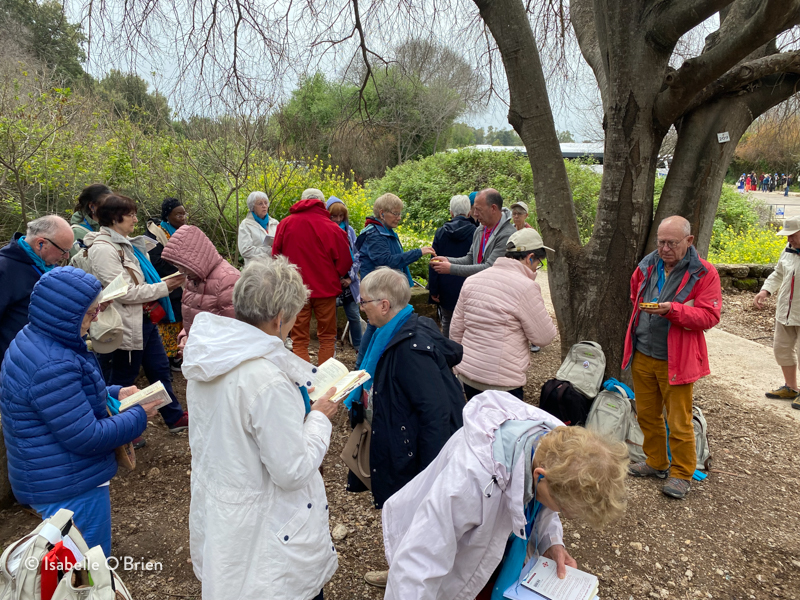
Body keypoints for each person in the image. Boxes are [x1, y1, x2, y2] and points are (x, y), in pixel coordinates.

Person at [181, 257, 341, 600]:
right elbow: (292, 471)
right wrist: (319, 417)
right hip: (269, 536)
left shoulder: (210, 358)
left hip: (225, 508)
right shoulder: (265, 379)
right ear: (280, 318)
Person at [381, 391, 629, 600]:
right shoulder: (469, 480)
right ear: (540, 476)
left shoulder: (552, 450)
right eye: (563, 508)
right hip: (442, 554)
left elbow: (544, 504)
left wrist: (551, 542)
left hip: (488, 548)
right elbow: (417, 565)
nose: (561, 512)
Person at [0, 267, 162, 556]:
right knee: (87, 566)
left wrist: (114, 393)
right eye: (90, 313)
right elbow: (87, 437)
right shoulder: (53, 365)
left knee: (69, 560)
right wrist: (138, 414)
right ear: (65, 315)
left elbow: (68, 399)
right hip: (69, 487)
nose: (96, 318)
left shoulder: (37, 339)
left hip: (50, 474)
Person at [345, 268, 465, 588]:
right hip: (401, 441)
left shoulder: (409, 348)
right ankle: (404, 571)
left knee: (413, 518)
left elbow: (436, 412)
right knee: (404, 516)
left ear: (384, 305)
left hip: (412, 456)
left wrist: (430, 474)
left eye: (364, 302)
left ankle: (409, 579)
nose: (361, 308)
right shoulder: (391, 332)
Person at [622, 215, 721, 499]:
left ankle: (681, 473)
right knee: (646, 414)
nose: (664, 248)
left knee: (679, 420)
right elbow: (635, 297)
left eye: (672, 243)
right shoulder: (647, 265)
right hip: (643, 352)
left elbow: (710, 316)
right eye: (661, 242)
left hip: (677, 359)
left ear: (689, 241)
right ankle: (656, 461)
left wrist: (672, 310)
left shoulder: (703, 272)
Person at [85, 194, 188, 446]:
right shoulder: (103, 249)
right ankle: (123, 428)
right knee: (123, 377)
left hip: (143, 318)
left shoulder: (125, 244)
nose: (135, 219)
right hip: (124, 324)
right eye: (130, 214)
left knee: (159, 369)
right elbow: (124, 292)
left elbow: (139, 281)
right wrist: (166, 287)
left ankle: (173, 416)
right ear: (114, 218)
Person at [450, 229, 558, 401]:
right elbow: (544, 337)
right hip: (502, 382)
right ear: (530, 257)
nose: (537, 268)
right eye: (538, 262)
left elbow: (456, 329)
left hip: (469, 374)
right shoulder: (526, 287)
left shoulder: (472, 280)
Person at [272, 188, 353, 364]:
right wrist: (333, 274)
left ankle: (303, 377)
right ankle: (326, 375)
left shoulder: (285, 224)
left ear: (302, 201)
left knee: (299, 338)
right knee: (327, 336)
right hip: (326, 289)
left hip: (296, 290)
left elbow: (276, 256)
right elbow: (346, 260)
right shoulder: (332, 227)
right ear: (323, 203)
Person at [354, 193, 435, 366]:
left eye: (400, 213)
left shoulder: (385, 230)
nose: (399, 217)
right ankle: (361, 367)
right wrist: (418, 252)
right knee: (374, 326)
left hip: (386, 289)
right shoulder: (374, 234)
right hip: (378, 291)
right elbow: (386, 261)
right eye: (395, 213)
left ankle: (375, 364)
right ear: (382, 213)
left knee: (381, 326)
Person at [0, 215, 73, 365]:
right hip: (14, 363)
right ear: (40, 243)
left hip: (46, 359)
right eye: (63, 251)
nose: (66, 256)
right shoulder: (5, 269)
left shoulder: (51, 268)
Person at [161, 225, 240, 351]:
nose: (180, 270)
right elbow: (192, 318)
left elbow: (234, 330)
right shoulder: (193, 277)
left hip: (216, 356)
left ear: (194, 259)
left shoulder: (229, 280)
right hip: (198, 354)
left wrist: (197, 346)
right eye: (177, 265)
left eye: (182, 265)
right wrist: (185, 336)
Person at [754, 216, 800, 409]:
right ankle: (791, 388)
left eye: (792, 235)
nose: (789, 239)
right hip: (785, 311)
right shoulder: (788, 250)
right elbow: (778, 273)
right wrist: (765, 291)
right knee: (781, 349)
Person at [429, 188, 515, 281]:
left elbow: (489, 268)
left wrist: (451, 268)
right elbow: (470, 258)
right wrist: (448, 260)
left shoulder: (507, 234)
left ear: (493, 208)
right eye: (474, 209)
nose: (475, 214)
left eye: (478, 209)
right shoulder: (480, 230)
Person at [146, 197, 188, 370]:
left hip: (183, 282)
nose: (183, 218)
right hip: (167, 284)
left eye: (184, 214)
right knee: (170, 321)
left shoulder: (184, 232)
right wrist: (181, 267)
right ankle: (168, 357)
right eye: (178, 214)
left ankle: (179, 354)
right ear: (167, 215)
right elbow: (156, 261)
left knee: (182, 320)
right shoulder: (155, 235)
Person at [428, 195, 477, 338]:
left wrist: (434, 289)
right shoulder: (476, 232)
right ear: (469, 212)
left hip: (446, 286)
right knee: (469, 323)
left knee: (447, 321)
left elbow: (434, 261)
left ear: (451, 212)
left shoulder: (441, 232)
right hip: (469, 285)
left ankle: (448, 349)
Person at [326, 196, 363, 350]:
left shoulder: (350, 231)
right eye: (334, 216)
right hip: (331, 283)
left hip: (349, 283)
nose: (338, 219)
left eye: (341, 216)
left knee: (354, 316)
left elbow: (357, 255)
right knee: (330, 318)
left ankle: (359, 346)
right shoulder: (325, 230)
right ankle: (331, 347)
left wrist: (350, 278)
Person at [238, 191, 280, 265]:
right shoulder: (245, 225)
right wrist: (270, 250)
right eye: (260, 203)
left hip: (275, 268)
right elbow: (246, 251)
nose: (264, 206)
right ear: (252, 207)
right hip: (256, 269)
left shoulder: (275, 223)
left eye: (266, 203)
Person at [70, 184, 110, 256]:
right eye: (106, 205)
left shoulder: (109, 228)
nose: (111, 209)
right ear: (92, 207)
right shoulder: (77, 232)